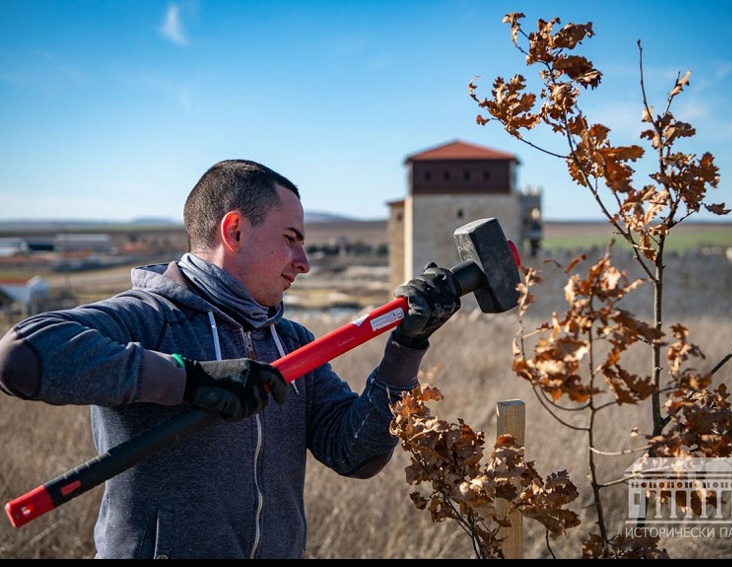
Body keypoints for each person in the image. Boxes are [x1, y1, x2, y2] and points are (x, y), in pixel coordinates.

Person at [0, 159, 461, 559]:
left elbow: (354, 454)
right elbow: (20, 355)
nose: (304, 262)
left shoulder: (293, 342)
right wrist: (191, 380)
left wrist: (406, 348)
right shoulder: (149, 319)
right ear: (235, 230)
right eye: (290, 238)